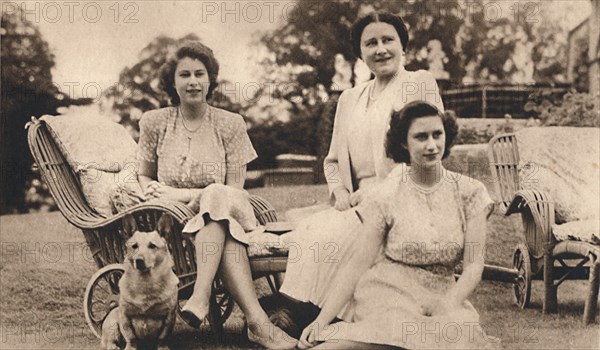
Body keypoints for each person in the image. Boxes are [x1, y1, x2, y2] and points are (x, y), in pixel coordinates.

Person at [271, 11, 444, 328]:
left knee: (336, 234)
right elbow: (333, 160)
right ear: (360, 52)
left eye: (388, 40)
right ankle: (301, 310)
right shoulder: (349, 98)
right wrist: (338, 190)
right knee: (312, 230)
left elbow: (425, 152)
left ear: (402, 45)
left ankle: (317, 317)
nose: (381, 49)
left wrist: (375, 193)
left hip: (400, 196)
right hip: (352, 200)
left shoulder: (418, 83)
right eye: (371, 43)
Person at [297, 101, 497, 350]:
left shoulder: (471, 193)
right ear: (404, 142)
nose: (432, 145)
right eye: (421, 137)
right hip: (389, 293)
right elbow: (358, 264)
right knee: (400, 335)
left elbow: (474, 265)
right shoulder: (385, 195)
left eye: (437, 134)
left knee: (452, 337)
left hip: (442, 295)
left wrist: (449, 302)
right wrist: (321, 321)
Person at [136, 41, 293, 349]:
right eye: (184, 75)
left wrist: (176, 193)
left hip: (231, 206)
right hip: (184, 221)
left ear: (210, 79)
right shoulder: (155, 122)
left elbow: (234, 189)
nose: (193, 81)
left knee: (217, 195)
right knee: (224, 231)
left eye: (199, 74)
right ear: (173, 82)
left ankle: (200, 294)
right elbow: (143, 174)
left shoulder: (230, 123)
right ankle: (258, 325)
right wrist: (153, 193)